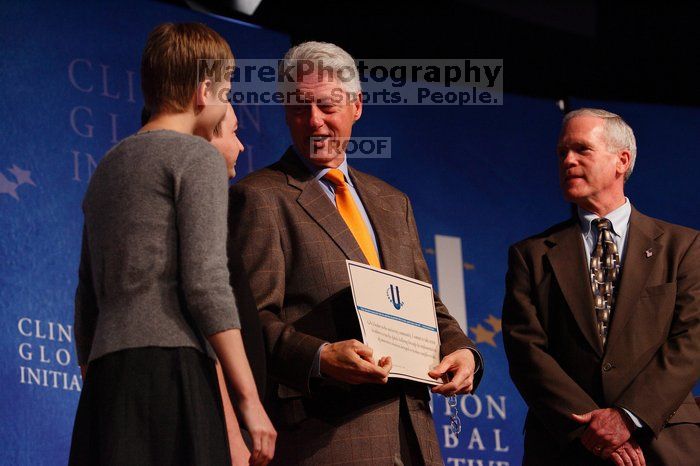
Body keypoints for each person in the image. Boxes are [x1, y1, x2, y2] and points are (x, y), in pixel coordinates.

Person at [228, 41, 483, 466]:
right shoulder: (260, 198)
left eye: (327, 106)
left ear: (356, 105)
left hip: (413, 437)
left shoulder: (391, 201)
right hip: (326, 440)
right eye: (298, 108)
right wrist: (321, 358)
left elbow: (423, 303)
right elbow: (249, 323)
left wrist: (463, 351)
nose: (314, 122)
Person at [70, 23, 275, 466]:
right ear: (204, 90)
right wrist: (249, 401)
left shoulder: (108, 166)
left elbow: (86, 299)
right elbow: (206, 285)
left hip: (106, 383)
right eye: (225, 93)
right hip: (172, 376)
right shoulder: (196, 157)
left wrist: (100, 382)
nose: (223, 106)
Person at [502, 108, 700, 466]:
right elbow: (526, 352)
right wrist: (592, 429)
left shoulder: (684, 247)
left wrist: (627, 416)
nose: (568, 160)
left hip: (662, 443)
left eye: (581, 149)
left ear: (621, 160)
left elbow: (691, 339)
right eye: (562, 152)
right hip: (566, 446)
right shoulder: (530, 255)